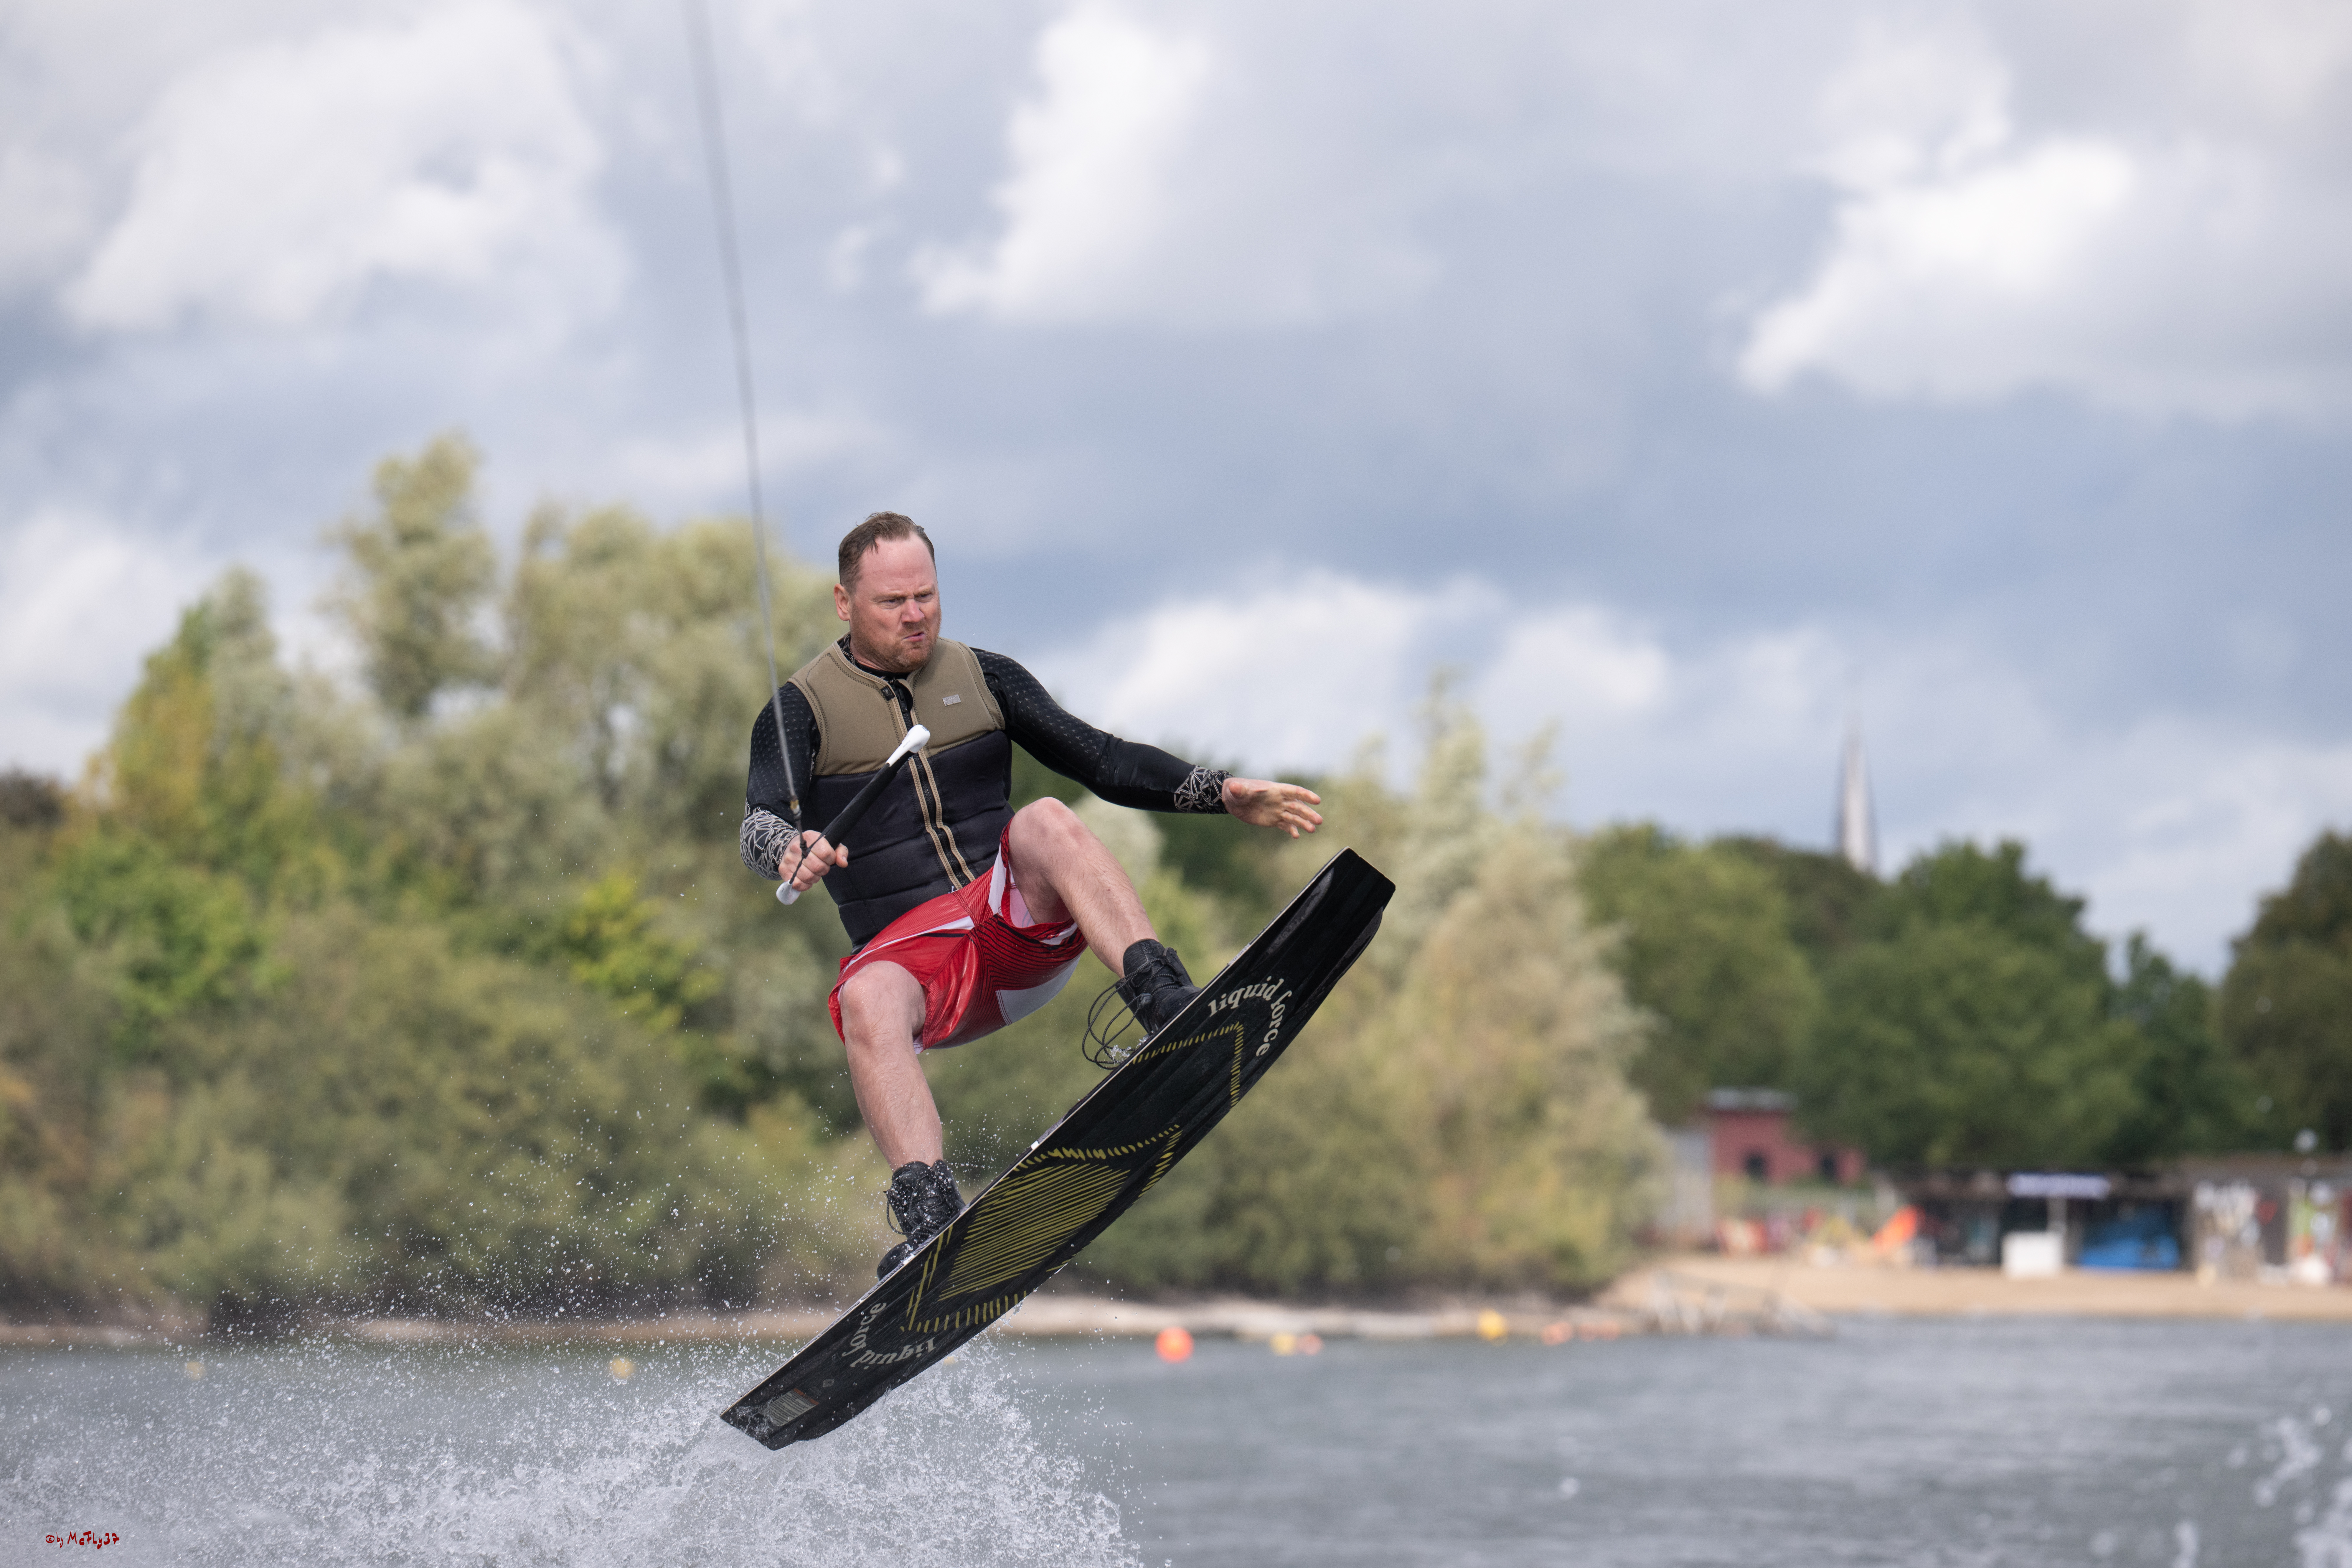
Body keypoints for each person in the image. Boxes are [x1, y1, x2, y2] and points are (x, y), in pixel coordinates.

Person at [740, 512, 1323, 1275]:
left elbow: (1105, 761)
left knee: (1047, 819)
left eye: (926, 594)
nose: (915, 614)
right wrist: (791, 846)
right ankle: (928, 1215)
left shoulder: (987, 678)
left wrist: (1218, 791)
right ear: (845, 602)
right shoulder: (799, 710)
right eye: (892, 602)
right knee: (864, 998)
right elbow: (759, 817)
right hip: (916, 966)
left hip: (1009, 930)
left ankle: (1167, 1003)